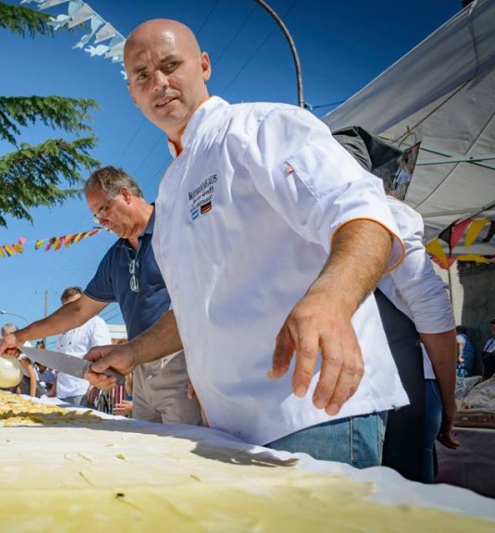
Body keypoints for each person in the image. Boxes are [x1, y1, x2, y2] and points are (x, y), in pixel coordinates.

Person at [85, 19, 408, 468]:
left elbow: (361, 213)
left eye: (170, 65)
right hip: (222, 429)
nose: (159, 82)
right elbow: (195, 308)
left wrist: (332, 298)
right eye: (142, 76)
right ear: (133, 94)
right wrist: (130, 353)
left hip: (312, 412)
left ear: (203, 65)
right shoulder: (172, 187)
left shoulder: (260, 127)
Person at [0, 167, 202, 425]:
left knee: (186, 455)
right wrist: (21, 336)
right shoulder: (116, 256)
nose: (102, 222)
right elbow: (77, 311)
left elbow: (202, 303)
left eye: (103, 210)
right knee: (147, 454)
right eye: (96, 217)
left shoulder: (177, 227)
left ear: (126, 194)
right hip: (138, 373)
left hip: (184, 365)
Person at [374, 197, 461, 482]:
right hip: (400, 384)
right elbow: (433, 312)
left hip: (401, 383)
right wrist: (449, 402)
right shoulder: (385, 209)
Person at [35, 287, 111, 407]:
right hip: (62, 392)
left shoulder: (95, 322)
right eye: (68, 307)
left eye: (75, 304)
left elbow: (105, 356)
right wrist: (54, 390)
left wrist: (96, 385)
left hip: (84, 390)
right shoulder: (63, 330)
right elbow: (60, 364)